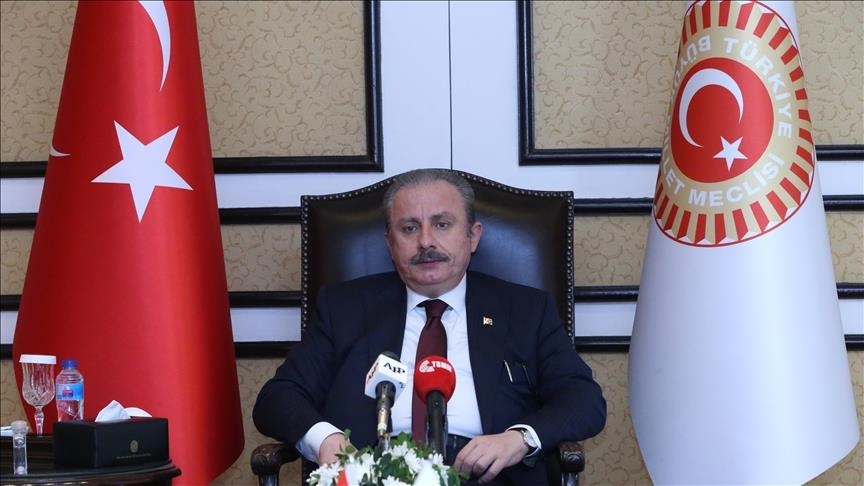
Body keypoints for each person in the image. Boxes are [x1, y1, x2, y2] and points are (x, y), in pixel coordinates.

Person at [254, 168, 606, 485]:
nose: (425, 242)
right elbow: (278, 398)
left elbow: (584, 400)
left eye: (441, 224)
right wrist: (326, 439)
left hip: (487, 476)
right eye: (409, 228)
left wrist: (518, 438)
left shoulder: (525, 309)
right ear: (390, 243)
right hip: (374, 474)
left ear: (472, 236)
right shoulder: (345, 308)